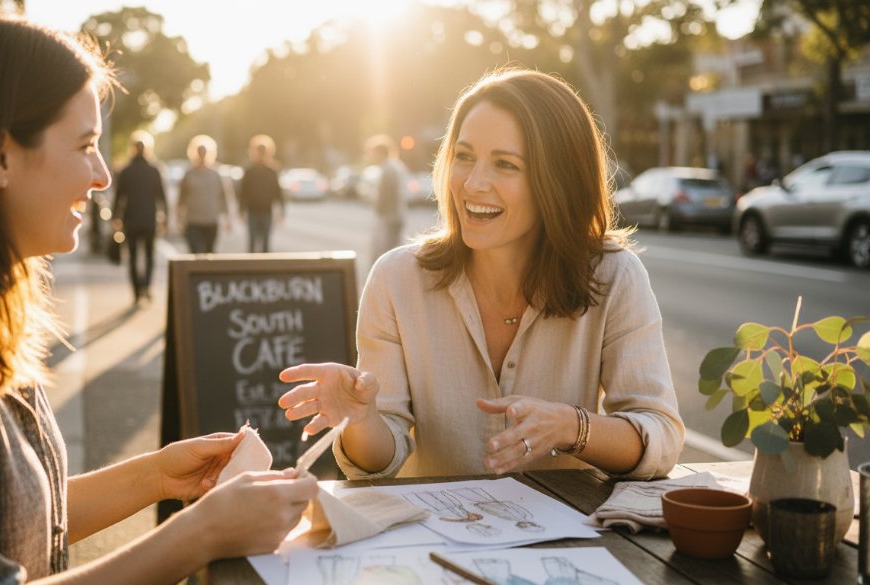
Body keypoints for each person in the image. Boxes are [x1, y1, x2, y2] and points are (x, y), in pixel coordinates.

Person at [0, 8, 316, 584]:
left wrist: (157, 477)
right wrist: (202, 533)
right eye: (85, 144)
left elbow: (11, 515)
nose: (102, 175)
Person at [278, 69, 684, 481]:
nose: (473, 183)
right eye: (464, 156)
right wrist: (363, 420)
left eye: (505, 164)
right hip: (433, 538)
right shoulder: (395, 279)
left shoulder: (615, 276)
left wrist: (572, 427)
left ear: (559, 180)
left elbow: (661, 437)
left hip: (569, 539)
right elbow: (379, 463)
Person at [113, 131, 167, 304]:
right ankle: (146, 287)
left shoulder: (126, 171)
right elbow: (162, 197)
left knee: (133, 256)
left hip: (131, 219)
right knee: (150, 255)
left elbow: (119, 197)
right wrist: (165, 218)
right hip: (150, 218)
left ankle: (137, 291)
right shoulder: (154, 170)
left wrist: (116, 217)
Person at [177, 134, 233, 254]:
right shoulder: (189, 174)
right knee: (195, 253)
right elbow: (181, 198)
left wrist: (228, 218)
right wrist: (179, 218)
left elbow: (224, 197)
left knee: (209, 253)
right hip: (193, 221)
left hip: (211, 221)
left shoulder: (216, 174)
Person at [239, 134, 285, 253]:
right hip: (252, 211)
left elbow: (278, 192)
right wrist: (241, 210)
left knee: (266, 242)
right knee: (252, 241)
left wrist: (281, 210)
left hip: (267, 211)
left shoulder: (272, 171)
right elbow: (243, 192)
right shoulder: (249, 171)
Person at [365, 134, 408, 260]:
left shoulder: (388, 169)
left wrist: (379, 213)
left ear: (379, 152)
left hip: (388, 217)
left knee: (384, 254)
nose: (372, 156)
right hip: (397, 215)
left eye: (373, 153)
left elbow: (386, 196)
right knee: (394, 251)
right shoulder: (397, 166)